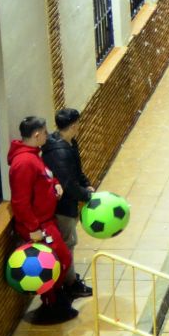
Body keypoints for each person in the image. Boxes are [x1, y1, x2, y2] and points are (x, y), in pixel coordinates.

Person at [8, 115, 76, 323]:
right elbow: (20, 201)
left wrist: (54, 183)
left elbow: (45, 176)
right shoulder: (24, 162)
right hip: (40, 226)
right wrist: (33, 228)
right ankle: (51, 302)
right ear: (37, 135)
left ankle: (56, 299)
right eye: (45, 132)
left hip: (46, 222)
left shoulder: (32, 155)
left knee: (60, 259)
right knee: (58, 260)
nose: (47, 135)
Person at [43, 107, 94, 299]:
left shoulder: (70, 143)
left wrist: (86, 184)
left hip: (68, 203)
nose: (79, 127)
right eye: (78, 124)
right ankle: (70, 283)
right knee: (68, 243)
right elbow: (68, 184)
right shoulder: (60, 152)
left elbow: (77, 173)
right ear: (73, 126)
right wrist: (86, 196)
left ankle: (69, 278)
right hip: (62, 207)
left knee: (69, 242)